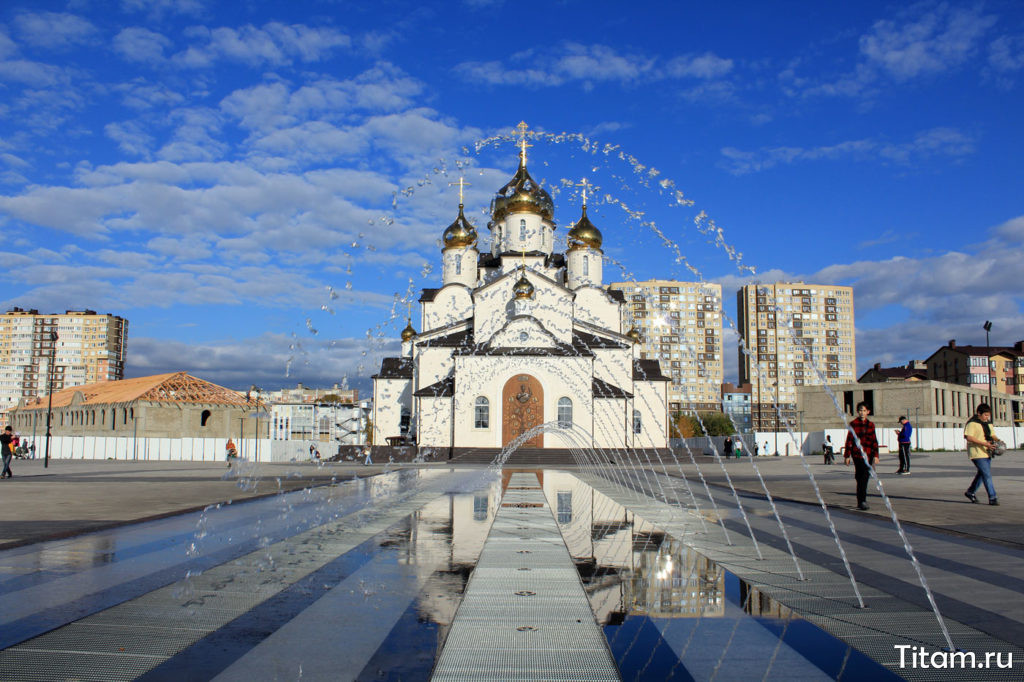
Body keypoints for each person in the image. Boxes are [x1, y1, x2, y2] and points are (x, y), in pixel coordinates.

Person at [843, 402, 879, 510]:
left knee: (864, 477)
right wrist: (847, 456)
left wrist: (876, 455)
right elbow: (849, 440)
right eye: (860, 410)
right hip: (857, 454)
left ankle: (862, 500)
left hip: (868, 454)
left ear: (868, 412)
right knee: (861, 477)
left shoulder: (871, 425)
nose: (862, 413)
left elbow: (874, 441)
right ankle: (861, 501)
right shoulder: (853, 424)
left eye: (864, 410)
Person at [964, 404, 998, 506]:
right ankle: (993, 497)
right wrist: (984, 443)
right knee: (987, 474)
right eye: (985, 415)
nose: (987, 417)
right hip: (976, 453)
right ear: (979, 413)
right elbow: (969, 437)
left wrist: (998, 441)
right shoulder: (972, 423)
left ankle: (970, 492)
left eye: (988, 415)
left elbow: (992, 435)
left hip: (987, 452)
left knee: (982, 474)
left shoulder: (988, 423)